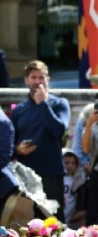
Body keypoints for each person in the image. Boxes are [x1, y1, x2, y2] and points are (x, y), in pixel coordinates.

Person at [11, 60, 70, 219]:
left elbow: (59, 131)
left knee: (54, 221)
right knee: (27, 222)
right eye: (33, 77)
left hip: (51, 173)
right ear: (26, 80)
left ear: (47, 79)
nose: (37, 82)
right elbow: (9, 143)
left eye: (41, 77)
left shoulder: (59, 104)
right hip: (25, 176)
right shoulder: (19, 110)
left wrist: (43, 104)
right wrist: (18, 149)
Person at [62, 149, 85, 228]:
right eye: (67, 163)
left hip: (69, 217)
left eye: (73, 163)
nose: (70, 166)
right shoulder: (57, 180)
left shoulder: (76, 181)